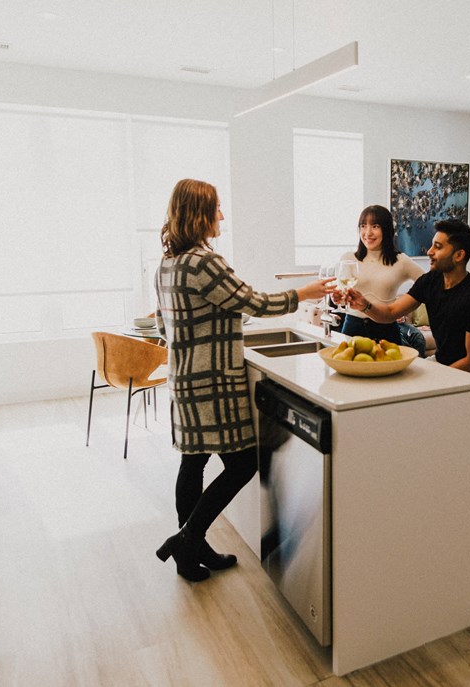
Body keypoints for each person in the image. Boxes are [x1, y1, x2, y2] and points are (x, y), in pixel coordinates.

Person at [154, 178, 334, 582]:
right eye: (216, 208)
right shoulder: (204, 261)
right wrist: (302, 293)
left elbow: (166, 326)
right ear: (199, 213)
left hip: (183, 377)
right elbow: (253, 301)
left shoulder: (167, 263)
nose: (221, 215)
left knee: (192, 462)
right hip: (213, 381)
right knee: (241, 464)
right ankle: (189, 540)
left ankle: (190, 550)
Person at [345, 219, 470, 376]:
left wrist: (434, 379)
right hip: (440, 362)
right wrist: (364, 305)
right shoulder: (431, 280)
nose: (429, 251)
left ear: (458, 255)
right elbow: (390, 313)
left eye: (438, 247)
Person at [334, 204, 426, 354]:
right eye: (363, 226)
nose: (368, 232)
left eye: (375, 226)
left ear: (387, 229)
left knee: (391, 375)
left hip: (387, 332)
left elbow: (429, 284)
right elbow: (343, 294)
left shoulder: (401, 261)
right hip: (352, 328)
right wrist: (339, 297)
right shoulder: (348, 259)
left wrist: (406, 305)